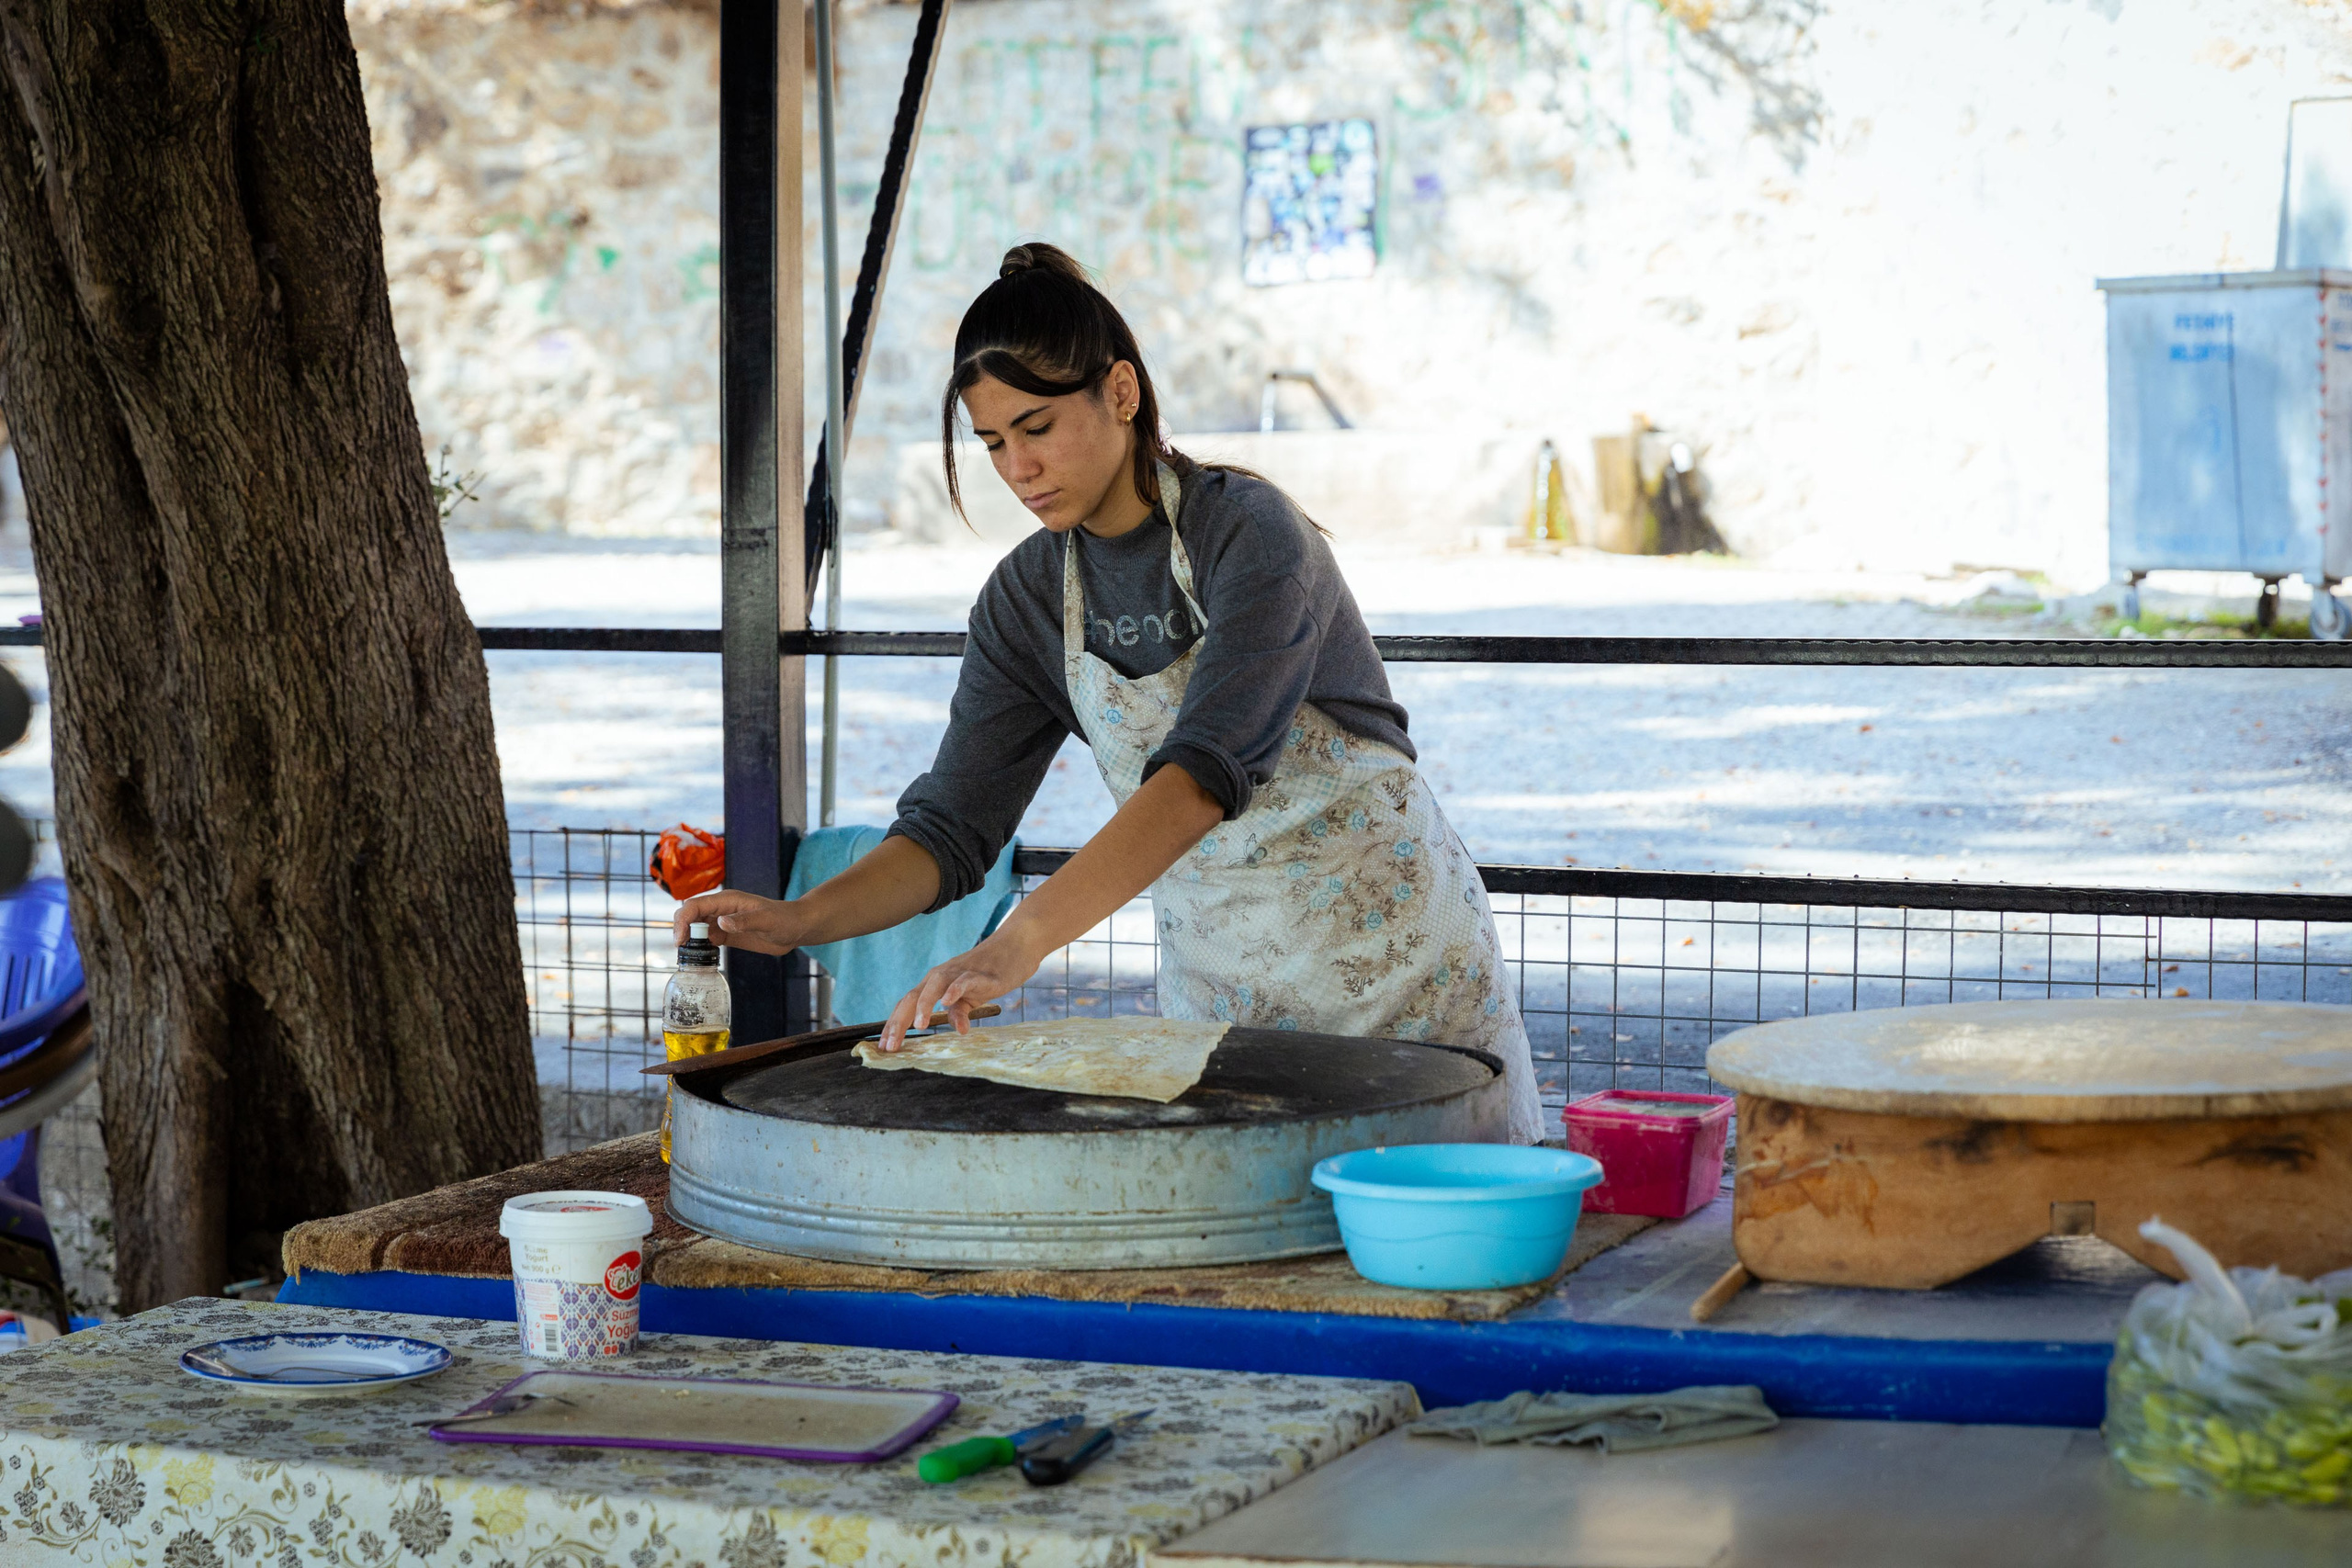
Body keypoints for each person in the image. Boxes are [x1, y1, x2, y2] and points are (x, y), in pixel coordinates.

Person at [676, 243, 1544, 1142]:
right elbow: (950, 829)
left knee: (1434, 1230)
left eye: (1038, 427)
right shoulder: (1025, 600)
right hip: (1225, 989)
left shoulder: (1249, 533)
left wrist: (1024, 940)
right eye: (993, 442)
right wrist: (801, 917)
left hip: (1395, 967)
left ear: (1120, 394)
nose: (1017, 466)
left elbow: (1204, 771)